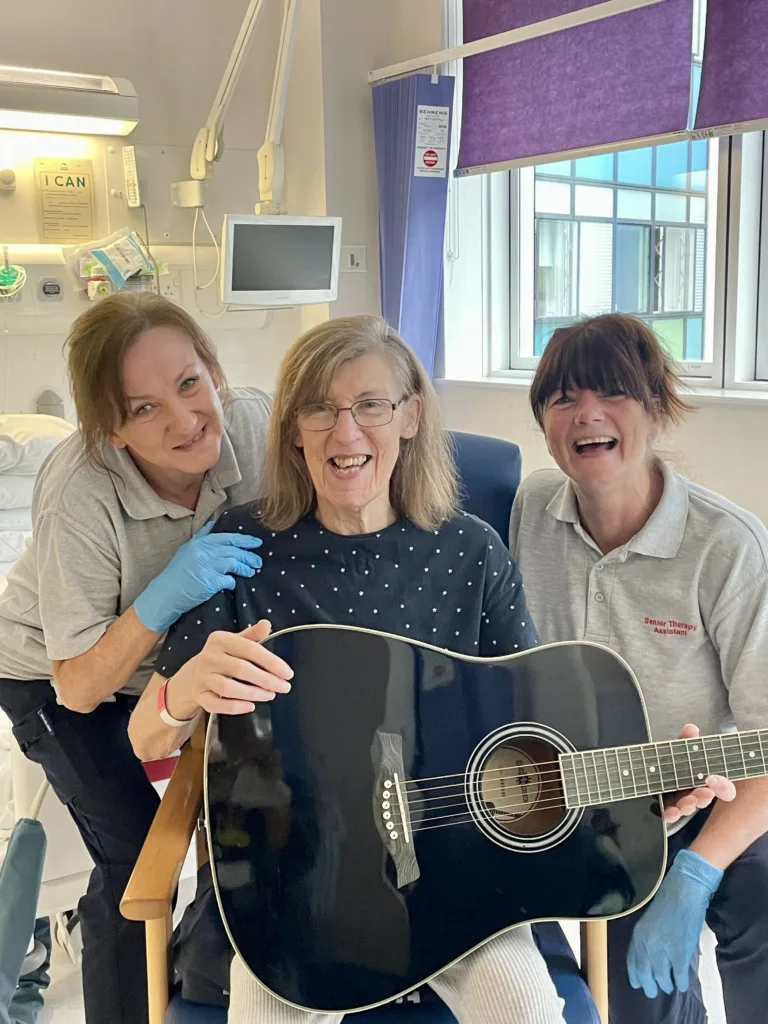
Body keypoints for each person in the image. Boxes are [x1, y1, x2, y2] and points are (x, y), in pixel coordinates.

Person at [129, 314, 569, 1024]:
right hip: (288, 880)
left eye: (370, 405)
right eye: (320, 409)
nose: (346, 432)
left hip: (455, 870)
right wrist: (183, 691)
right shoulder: (243, 547)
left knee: (529, 1012)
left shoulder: (470, 551)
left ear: (410, 417)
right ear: (293, 431)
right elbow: (145, 740)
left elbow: (536, 729)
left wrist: (641, 788)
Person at [0, 292, 272, 1024]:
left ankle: (204, 979)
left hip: (181, 667)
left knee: (247, 818)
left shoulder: (254, 421)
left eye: (189, 384)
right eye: (144, 408)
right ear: (112, 431)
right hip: (51, 672)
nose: (185, 420)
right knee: (135, 851)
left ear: (214, 370)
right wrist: (162, 594)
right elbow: (81, 686)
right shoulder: (79, 494)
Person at [509, 313, 768, 1024]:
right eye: (562, 398)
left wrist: (696, 870)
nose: (586, 414)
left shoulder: (729, 548)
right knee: (645, 999)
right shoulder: (527, 511)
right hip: (600, 807)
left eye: (611, 393)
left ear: (655, 409)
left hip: (719, 791)